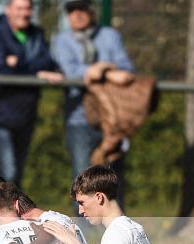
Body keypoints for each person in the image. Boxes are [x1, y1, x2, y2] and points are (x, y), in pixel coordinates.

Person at [52, 0, 133, 208]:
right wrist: (99, 72)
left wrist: (102, 69)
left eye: (81, 10)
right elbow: (71, 71)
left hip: (111, 118)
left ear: (91, 12)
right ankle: (84, 225)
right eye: (72, 11)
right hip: (79, 118)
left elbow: (125, 69)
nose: (77, 15)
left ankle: (115, 223)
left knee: (112, 176)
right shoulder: (62, 40)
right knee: (82, 177)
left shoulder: (109, 36)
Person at [0, 0, 63, 187]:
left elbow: (48, 63)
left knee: (16, 175)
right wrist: (35, 72)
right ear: (8, 10)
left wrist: (17, 62)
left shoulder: (37, 34)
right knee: (7, 173)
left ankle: (6, 206)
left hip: (26, 115)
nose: (24, 13)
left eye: (28, 8)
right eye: (19, 8)